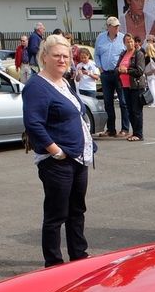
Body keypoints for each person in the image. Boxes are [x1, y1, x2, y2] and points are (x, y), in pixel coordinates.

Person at [22, 33, 95, 268]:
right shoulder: (36, 86)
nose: (62, 60)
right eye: (56, 56)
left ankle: (79, 256)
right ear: (44, 57)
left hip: (78, 158)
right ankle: (53, 264)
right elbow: (33, 124)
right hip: (57, 162)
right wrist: (56, 151)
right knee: (56, 214)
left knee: (77, 210)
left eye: (65, 56)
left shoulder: (64, 82)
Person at [95, 17, 129, 138]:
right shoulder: (100, 38)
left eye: (118, 26)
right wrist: (100, 68)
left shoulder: (122, 38)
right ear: (108, 26)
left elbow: (127, 54)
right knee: (108, 102)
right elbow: (96, 54)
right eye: (115, 26)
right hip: (105, 73)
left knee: (123, 102)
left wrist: (123, 67)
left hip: (118, 73)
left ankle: (125, 128)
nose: (117, 28)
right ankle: (111, 129)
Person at [117, 34, 145, 141]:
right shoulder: (123, 54)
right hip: (125, 86)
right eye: (127, 41)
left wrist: (127, 71)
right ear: (124, 43)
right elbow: (117, 67)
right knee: (130, 110)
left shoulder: (138, 54)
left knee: (136, 111)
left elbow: (140, 71)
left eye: (131, 41)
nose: (130, 43)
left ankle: (139, 134)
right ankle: (134, 132)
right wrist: (118, 70)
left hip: (136, 86)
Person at [144, 34, 155, 106]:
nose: (147, 42)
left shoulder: (148, 54)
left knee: (152, 87)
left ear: (152, 40)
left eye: (148, 40)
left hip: (151, 72)